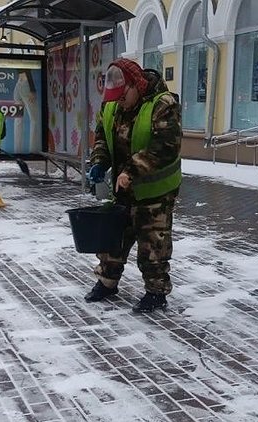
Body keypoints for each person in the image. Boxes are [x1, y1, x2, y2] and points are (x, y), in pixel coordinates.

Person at [84, 58, 182, 313]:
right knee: (113, 237)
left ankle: (156, 293)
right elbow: (102, 139)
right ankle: (107, 282)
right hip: (123, 189)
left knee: (153, 242)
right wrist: (99, 162)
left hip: (156, 191)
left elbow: (165, 147)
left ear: (135, 84)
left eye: (123, 96)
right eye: (114, 97)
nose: (119, 102)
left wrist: (131, 170)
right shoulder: (111, 106)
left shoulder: (163, 104)